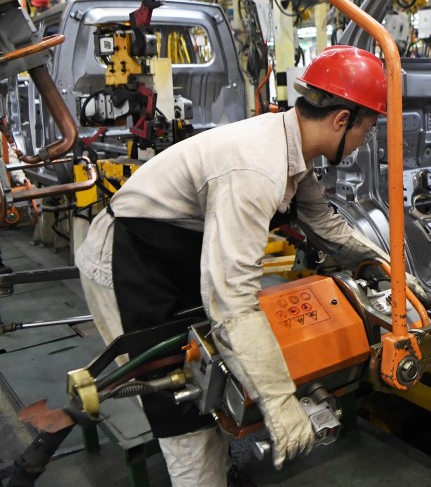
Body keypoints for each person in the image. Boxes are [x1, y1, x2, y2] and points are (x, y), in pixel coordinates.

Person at [74, 45, 390, 487]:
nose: (365, 141)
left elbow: (326, 226)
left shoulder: (292, 150)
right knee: (180, 400)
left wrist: (399, 277)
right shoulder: (256, 167)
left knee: (210, 374)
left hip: (179, 256)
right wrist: (280, 405)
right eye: (369, 129)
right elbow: (232, 304)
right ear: (341, 120)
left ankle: (218, 473)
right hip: (131, 263)